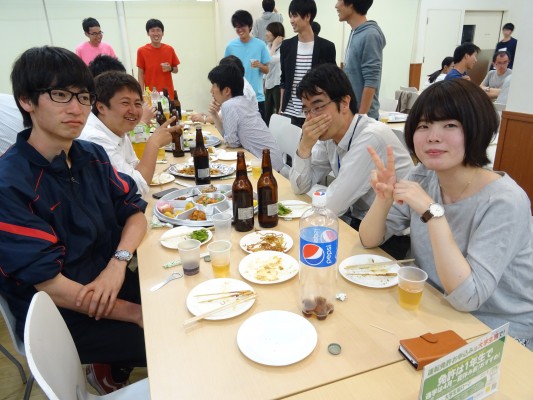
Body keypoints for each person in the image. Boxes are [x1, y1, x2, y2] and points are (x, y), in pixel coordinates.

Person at [0, 46, 149, 394]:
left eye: (83, 97)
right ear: (26, 100)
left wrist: (118, 263)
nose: (76, 108)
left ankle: (115, 365)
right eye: (60, 95)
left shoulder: (90, 155)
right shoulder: (10, 184)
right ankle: (109, 368)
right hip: (65, 315)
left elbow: (135, 212)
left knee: (184, 295)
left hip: (108, 279)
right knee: (173, 338)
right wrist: (136, 314)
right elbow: (51, 286)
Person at [359, 79, 533, 350]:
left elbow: (469, 297)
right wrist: (384, 199)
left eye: (450, 125)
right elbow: (369, 239)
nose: (433, 136)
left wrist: (433, 214)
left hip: (497, 329)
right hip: (437, 306)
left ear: (477, 129)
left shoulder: (505, 201)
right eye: (423, 126)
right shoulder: (423, 176)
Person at [289, 64, 413, 258]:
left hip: (390, 239)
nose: (311, 118)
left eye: (318, 107)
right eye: (307, 111)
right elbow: (300, 187)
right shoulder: (330, 135)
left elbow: (332, 207)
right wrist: (304, 146)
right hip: (358, 222)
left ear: (345, 103)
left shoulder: (370, 137)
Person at [79, 71, 174, 197]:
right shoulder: (94, 139)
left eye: (138, 104)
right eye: (125, 103)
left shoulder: (117, 127)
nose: (134, 111)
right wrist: (154, 143)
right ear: (101, 107)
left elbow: (134, 167)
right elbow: (135, 189)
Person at [207, 63, 284, 172]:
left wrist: (231, 139)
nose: (211, 91)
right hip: (273, 160)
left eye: (213, 85)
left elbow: (231, 143)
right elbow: (229, 138)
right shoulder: (242, 101)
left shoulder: (230, 105)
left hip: (267, 166)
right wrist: (215, 115)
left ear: (227, 90)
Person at [280, 0, 336, 128]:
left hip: (316, 111)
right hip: (289, 111)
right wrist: (281, 108)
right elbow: (283, 80)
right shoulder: (286, 46)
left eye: (295, 16)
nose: (291, 20)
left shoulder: (326, 47)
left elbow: (331, 83)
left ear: (307, 16)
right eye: (290, 16)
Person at [335, 0, 386, 120]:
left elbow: (371, 81)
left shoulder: (370, 34)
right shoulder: (356, 32)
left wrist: (360, 119)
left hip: (363, 118)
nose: (336, 5)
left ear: (351, 3)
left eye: (339, 0)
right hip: (352, 114)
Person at [224, 10, 271, 121]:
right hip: (237, 98)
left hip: (257, 97)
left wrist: (260, 65)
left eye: (242, 26)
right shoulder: (230, 46)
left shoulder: (260, 45)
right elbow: (225, 70)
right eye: (237, 27)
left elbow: (267, 70)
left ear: (249, 26)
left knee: (258, 130)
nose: (240, 29)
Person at [191, 55, 258, 124]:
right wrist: (212, 114)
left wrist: (204, 119)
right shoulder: (235, 86)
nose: (211, 91)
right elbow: (223, 117)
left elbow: (224, 118)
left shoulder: (244, 91)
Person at [136, 19, 180, 100]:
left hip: (168, 93)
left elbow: (176, 70)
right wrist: (141, 94)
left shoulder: (169, 49)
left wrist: (170, 68)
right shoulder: (141, 51)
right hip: (151, 94)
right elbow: (140, 74)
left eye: (158, 30)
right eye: (152, 31)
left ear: (162, 33)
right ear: (148, 33)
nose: (156, 33)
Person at [264, 22, 285, 124]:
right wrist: (264, 82)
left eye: (269, 31)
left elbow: (270, 60)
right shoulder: (268, 46)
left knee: (278, 112)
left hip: (278, 83)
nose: (266, 34)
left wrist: (275, 45)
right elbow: (265, 63)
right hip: (269, 83)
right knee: (267, 112)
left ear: (276, 33)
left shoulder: (284, 47)